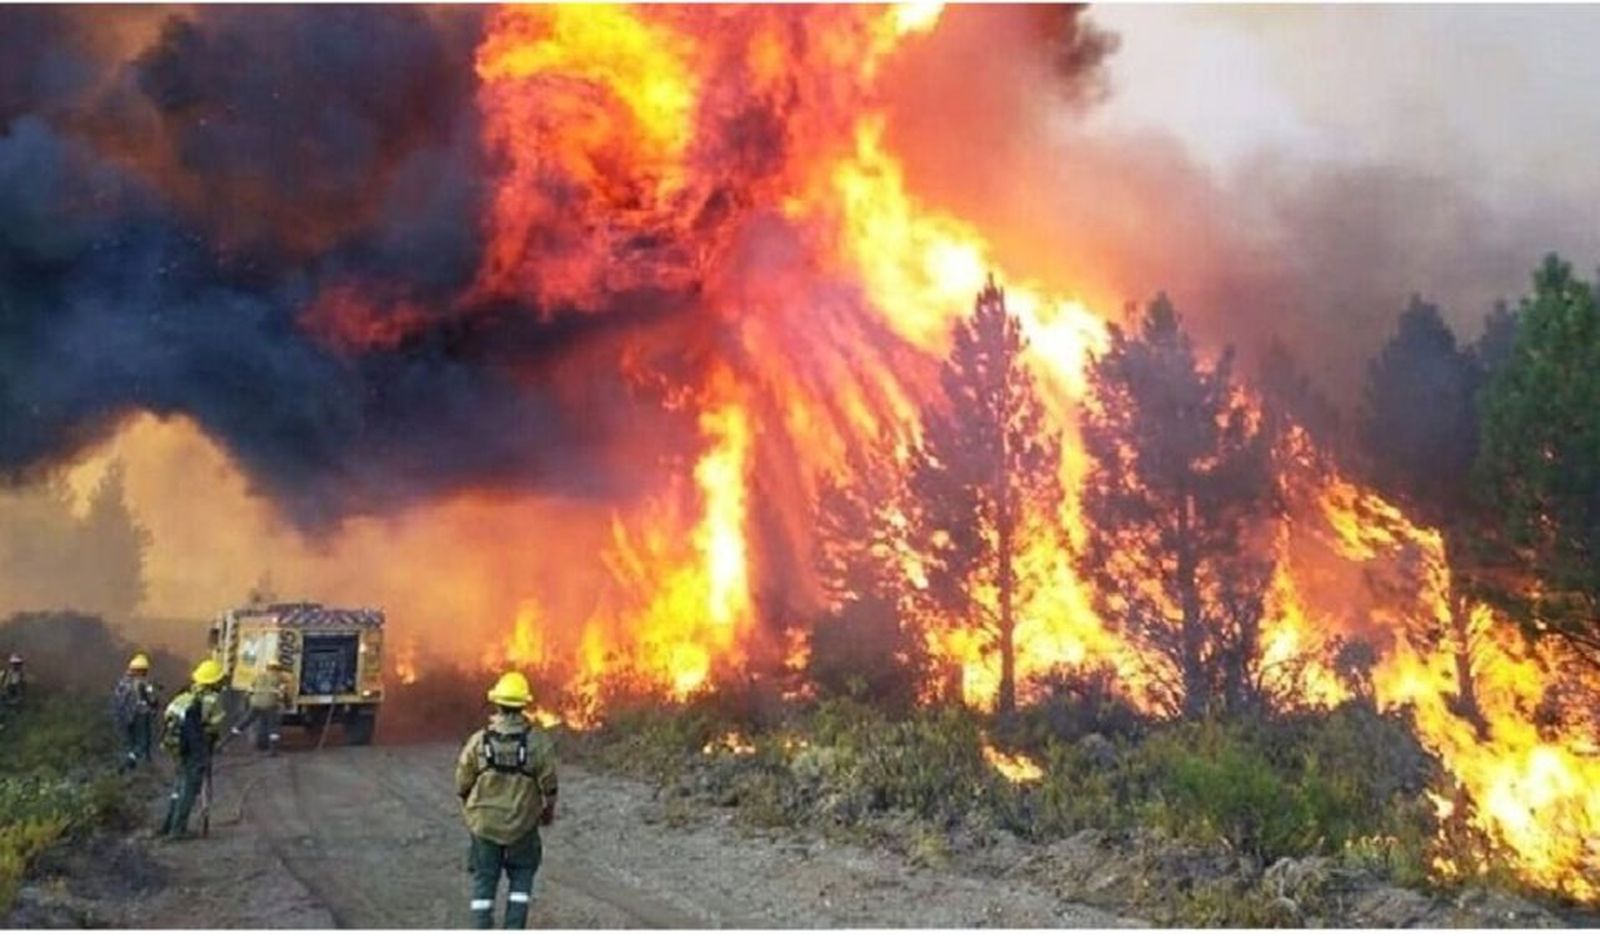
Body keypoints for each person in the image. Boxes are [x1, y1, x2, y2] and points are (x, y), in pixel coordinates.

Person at [455, 671, 558, 929]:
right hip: (522, 826)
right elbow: (549, 785)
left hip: (484, 825)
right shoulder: (538, 743)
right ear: (524, 705)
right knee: (522, 877)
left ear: (497, 704)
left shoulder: (479, 741)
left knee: (484, 880)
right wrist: (547, 811)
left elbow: (462, 782)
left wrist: (469, 807)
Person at [160, 659, 228, 839]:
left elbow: (168, 718)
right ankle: (177, 831)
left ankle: (167, 826)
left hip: (174, 746)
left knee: (179, 785)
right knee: (189, 788)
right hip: (194, 748)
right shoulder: (212, 700)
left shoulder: (183, 696)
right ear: (214, 682)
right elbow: (214, 726)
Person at [111, 653, 161, 770]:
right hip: (140, 715)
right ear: (142, 670)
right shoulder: (144, 683)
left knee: (130, 742)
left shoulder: (123, 682)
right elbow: (152, 699)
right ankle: (131, 761)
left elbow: (116, 699)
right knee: (143, 743)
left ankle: (130, 766)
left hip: (123, 716)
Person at [231, 661, 290, 755]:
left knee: (243, 724)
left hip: (255, 704)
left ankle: (223, 743)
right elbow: (282, 694)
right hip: (270, 704)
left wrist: (246, 705)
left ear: (267, 667)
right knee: (273, 727)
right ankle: (272, 750)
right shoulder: (280, 679)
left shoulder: (258, 676)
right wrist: (287, 704)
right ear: (278, 669)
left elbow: (249, 692)